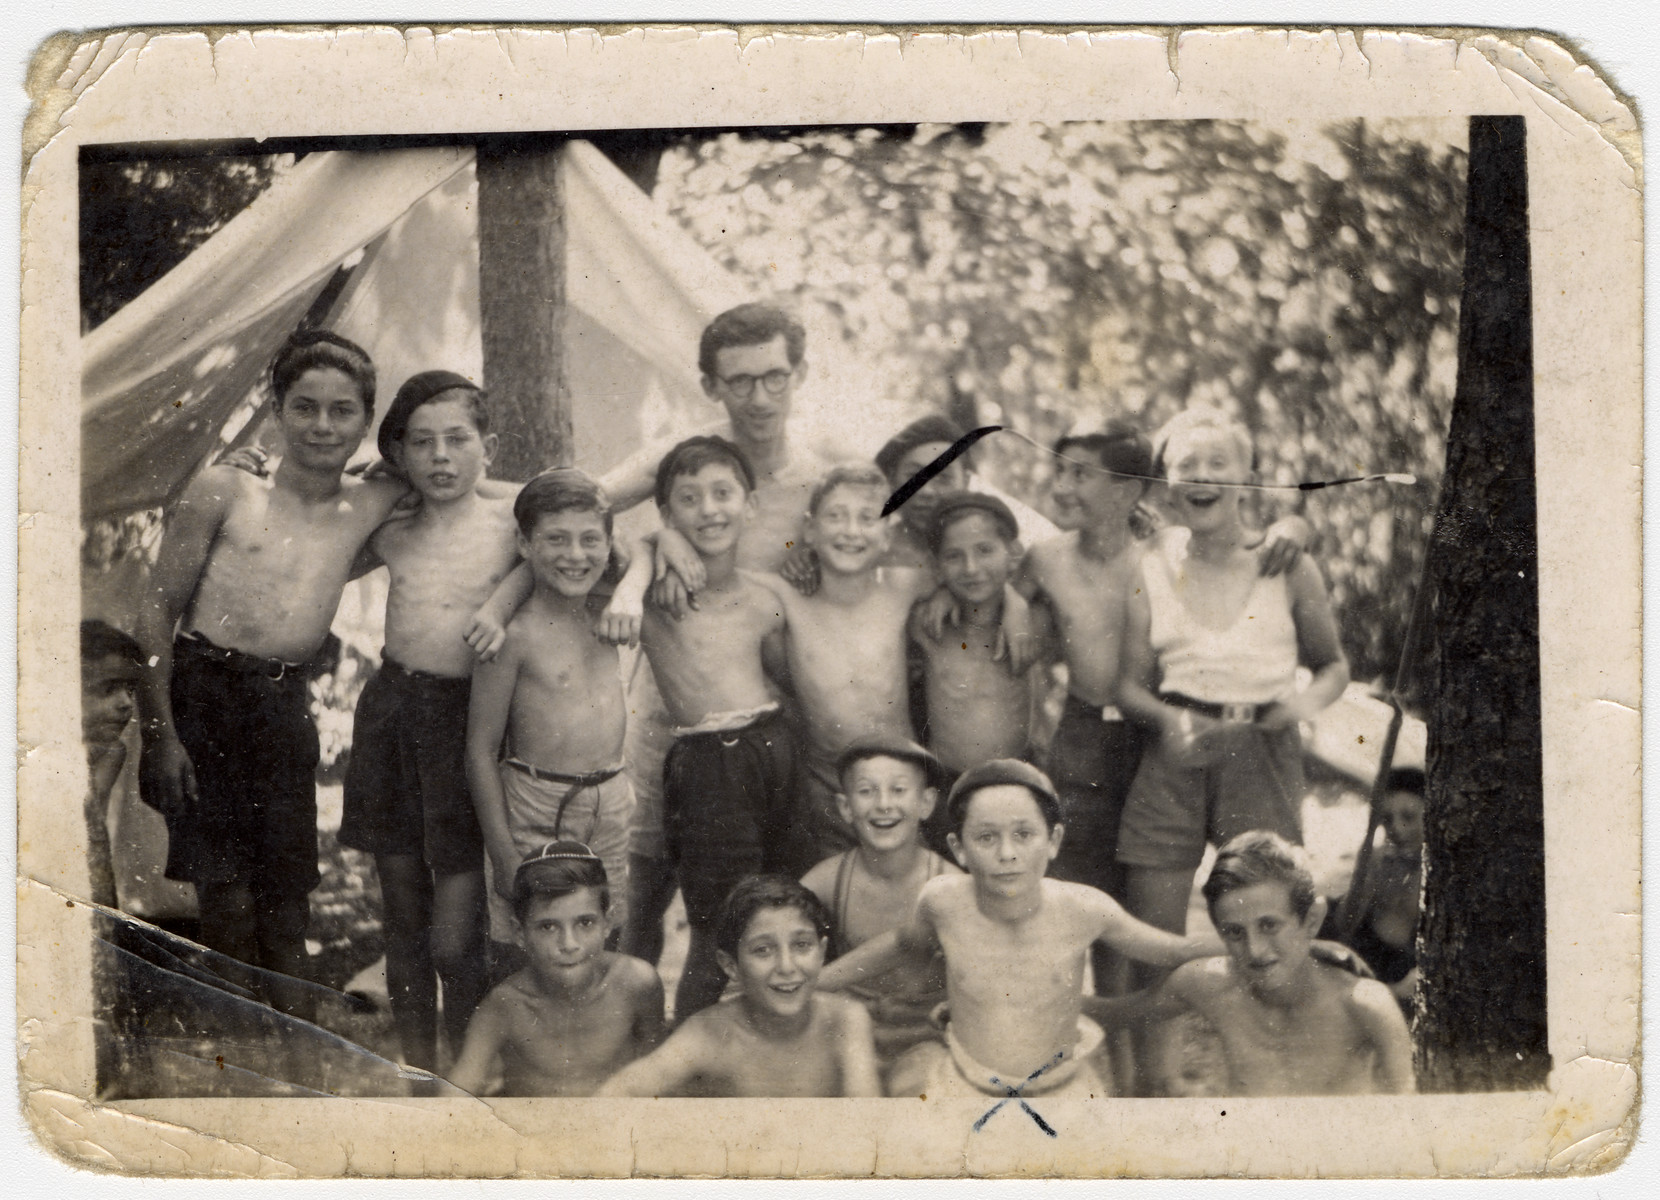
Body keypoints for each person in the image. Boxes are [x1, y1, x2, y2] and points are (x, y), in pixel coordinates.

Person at [133, 332, 414, 1015]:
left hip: (283, 703)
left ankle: (296, 1053)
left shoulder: (371, 501)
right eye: (305, 407)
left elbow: (459, 478)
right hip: (203, 695)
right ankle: (237, 1043)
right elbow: (154, 612)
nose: (323, 425)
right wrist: (160, 735)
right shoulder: (227, 488)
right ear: (276, 408)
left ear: (365, 420)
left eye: (342, 411)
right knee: (224, 893)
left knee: (287, 897)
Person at [819, 760, 1224, 1099]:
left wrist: (1234, 948)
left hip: (1060, 1089)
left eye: (1024, 835)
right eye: (986, 837)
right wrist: (819, 979)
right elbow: (899, 945)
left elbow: (1171, 951)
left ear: (1054, 840)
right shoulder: (943, 902)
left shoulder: (1083, 908)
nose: (1007, 854)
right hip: (966, 1085)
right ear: (959, 849)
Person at [335, 370, 519, 1072]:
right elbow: (325, 555)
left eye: (457, 440)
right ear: (400, 455)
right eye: (422, 444)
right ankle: (418, 1073)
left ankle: (468, 1074)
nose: (440, 457)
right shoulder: (393, 526)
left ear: (487, 447)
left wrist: (500, 605)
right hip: (393, 712)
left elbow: (558, 530)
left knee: (455, 935)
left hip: (469, 721)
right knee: (404, 914)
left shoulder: (510, 523)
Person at [1116, 407, 1350, 942]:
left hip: (1262, 750)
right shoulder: (1150, 562)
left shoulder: (1287, 563)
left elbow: (1333, 667)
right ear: (1168, 486)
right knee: (1154, 936)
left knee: (1265, 923)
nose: (1201, 475)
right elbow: (1127, 688)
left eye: (1218, 462)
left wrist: (1298, 708)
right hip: (1173, 750)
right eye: (1186, 464)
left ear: (1246, 478)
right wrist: (1168, 720)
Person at [621, 435, 797, 1019]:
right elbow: (578, 523)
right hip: (709, 763)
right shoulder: (652, 596)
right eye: (688, 500)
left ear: (750, 505)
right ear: (668, 512)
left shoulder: (765, 597)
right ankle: (694, 1058)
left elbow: (783, 678)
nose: (709, 509)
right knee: (720, 931)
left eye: (723, 493)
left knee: (782, 919)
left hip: (774, 754)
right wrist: (654, 546)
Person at [465, 470, 646, 965]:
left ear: (609, 544)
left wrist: (633, 583)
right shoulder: (513, 637)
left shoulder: (613, 615)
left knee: (601, 943)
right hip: (535, 805)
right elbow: (480, 752)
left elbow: (655, 545)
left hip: (609, 803)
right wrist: (503, 854)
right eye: (556, 540)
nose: (575, 554)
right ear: (524, 544)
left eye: (591, 540)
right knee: (526, 948)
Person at [1086, 831, 1414, 1095]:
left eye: (1269, 926)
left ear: (1311, 921)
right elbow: (1116, 1014)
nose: (1255, 950)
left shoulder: (1364, 1005)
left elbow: (1409, 1122)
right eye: (1234, 932)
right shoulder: (1208, 984)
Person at [766, 464, 941, 864]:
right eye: (835, 516)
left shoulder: (903, 585)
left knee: (911, 889)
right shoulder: (786, 597)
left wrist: (1010, 606)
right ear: (810, 531)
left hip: (901, 781)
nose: (851, 531)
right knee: (834, 893)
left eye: (868, 518)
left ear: (888, 535)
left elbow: (972, 572)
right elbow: (720, 577)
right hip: (827, 787)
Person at [598, 875, 880, 1097]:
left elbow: (869, 1122)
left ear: (821, 952)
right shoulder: (710, 1033)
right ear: (730, 965)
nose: (786, 966)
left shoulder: (846, 1020)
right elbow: (623, 1090)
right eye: (763, 950)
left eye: (801, 945)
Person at [448, 842, 665, 1097]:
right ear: (520, 933)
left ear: (607, 923)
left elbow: (660, 1077)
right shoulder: (505, 1006)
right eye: (548, 927)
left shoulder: (637, 983)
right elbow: (458, 1090)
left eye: (585, 922)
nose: (569, 944)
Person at [800, 735, 959, 1072]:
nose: (883, 804)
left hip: (925, 1032)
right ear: (845, 807)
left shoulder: (950, 884)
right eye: (867, 791)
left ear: (927, 803)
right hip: (850, 1029)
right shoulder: (829, 878)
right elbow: (771, 924)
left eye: (899, 790)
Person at [1324, 768, 1424, 1006]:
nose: (1397, 829)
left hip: (1409, 967)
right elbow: (1344, 925)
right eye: (1387, 819)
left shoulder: (1440, 868)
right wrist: (1366, 877)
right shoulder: (1378, 859)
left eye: (1409, 817)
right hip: (1372, 959)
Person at [81, 619, 144, 910]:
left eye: (130, 691)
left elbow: (93, 837)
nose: (126, 704)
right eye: (108, 690)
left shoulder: (111, 751)